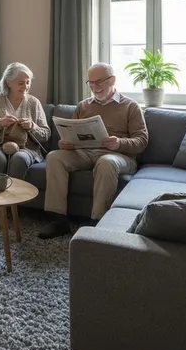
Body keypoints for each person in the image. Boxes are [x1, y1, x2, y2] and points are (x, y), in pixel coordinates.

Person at [38, 62, 148, 239]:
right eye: (91, 83)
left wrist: (119, 143)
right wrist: (67, 143)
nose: (94, 87)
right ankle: (58, 220)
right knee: (54, 157)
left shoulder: (130, 106)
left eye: (99, 82)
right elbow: (72, 132)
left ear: (112, 80)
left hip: (118, 156)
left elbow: (142, 141)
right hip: (85, 153)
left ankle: (97, 222)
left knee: (106, 162)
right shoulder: (84, 106)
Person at [0, 62, 51, 229]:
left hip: (25, 147)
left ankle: (2, 209)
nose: (26, 86)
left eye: (28, 82)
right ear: (8, 82)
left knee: (19, 159)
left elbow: (45, 134)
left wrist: (32, 126)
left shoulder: (33, 103)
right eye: (21, 83)